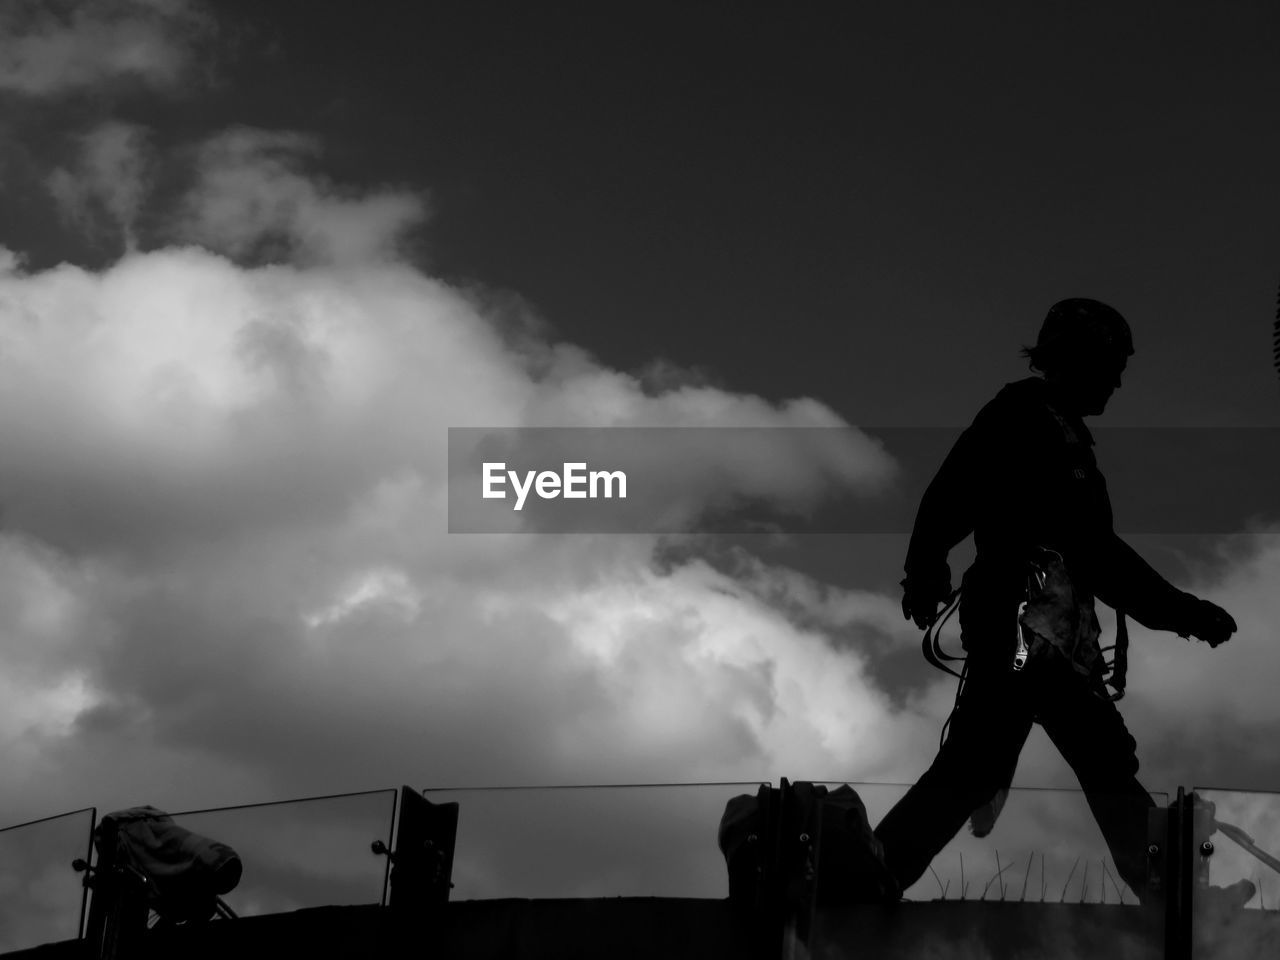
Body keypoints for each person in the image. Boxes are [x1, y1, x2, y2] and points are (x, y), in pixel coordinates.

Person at [872, 298, 1246, 905]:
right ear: (1076, 359)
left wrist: (926, 569)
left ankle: (875, 874)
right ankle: (1173, 896)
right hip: (1029, 633)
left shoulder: (1048, 424)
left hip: (1044, 633)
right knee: (1075, 759)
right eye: (1111, 364)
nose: (1120, 380)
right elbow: (1084, 544)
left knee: (995, 759)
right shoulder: (1025, 416)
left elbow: (1064, 541)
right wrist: (1181, 611)